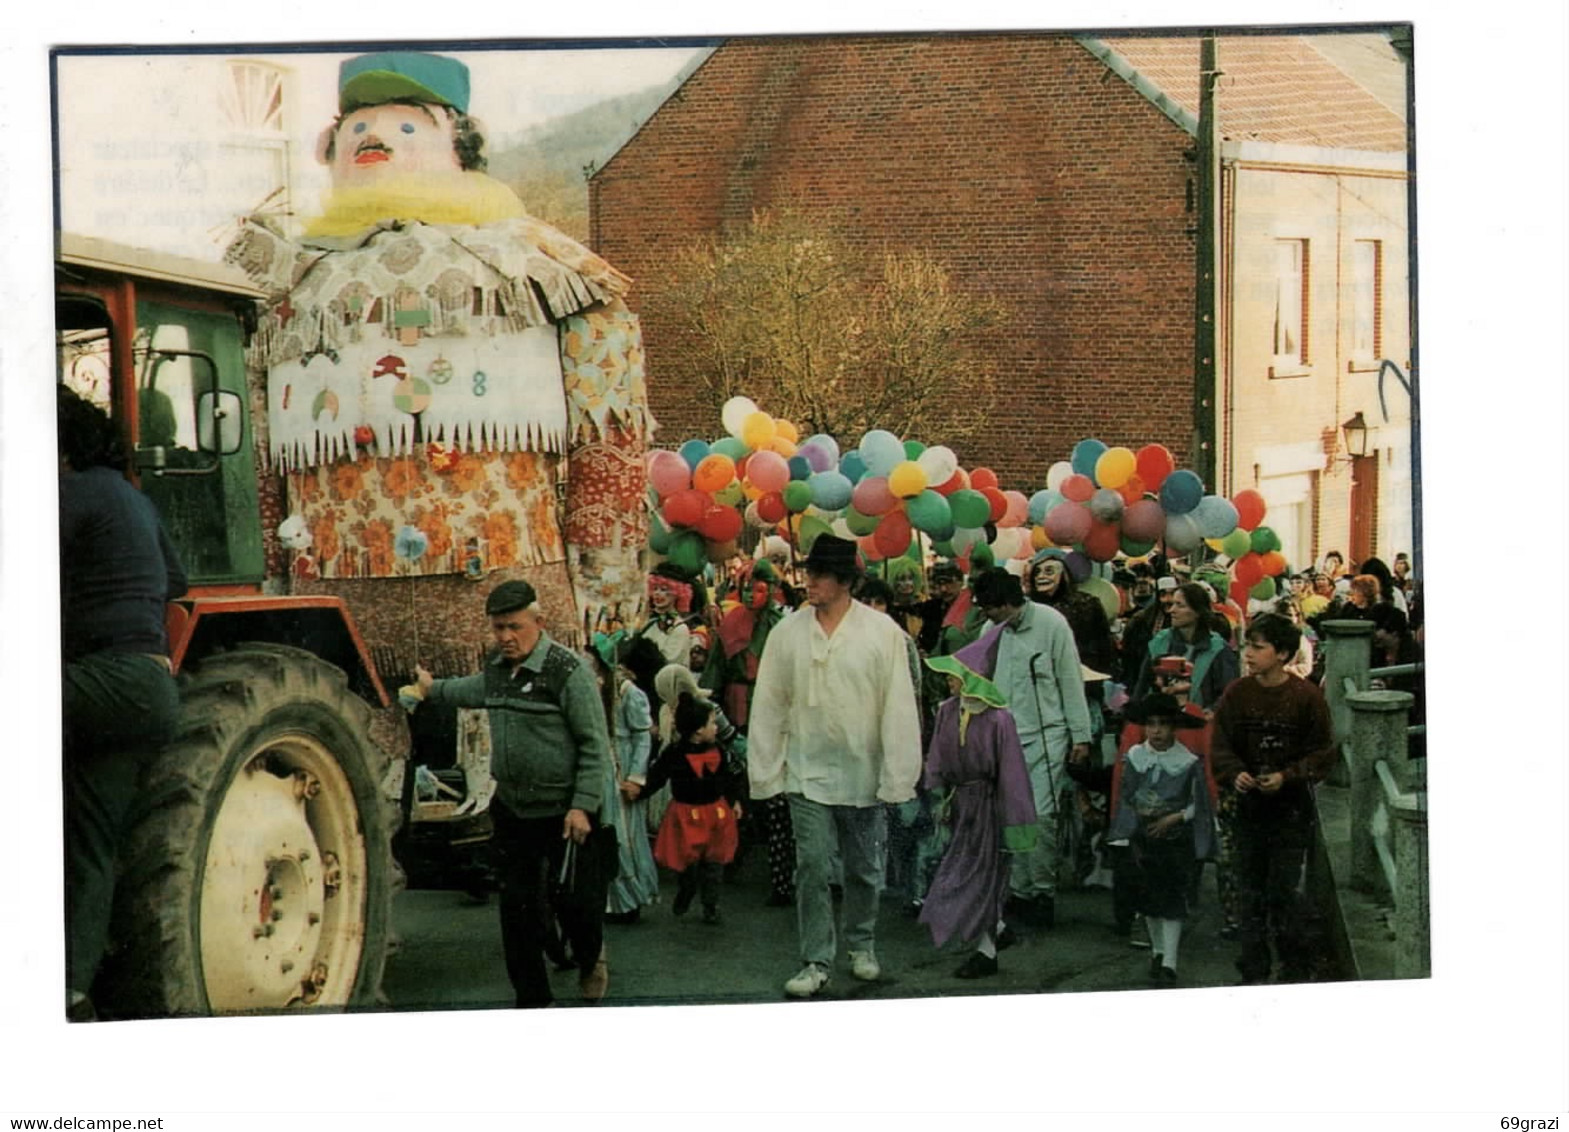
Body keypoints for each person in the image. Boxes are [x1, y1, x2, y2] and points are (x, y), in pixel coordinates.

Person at [414, 580, 608, 1008]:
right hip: (513, 810)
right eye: (498, 628)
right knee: (517, 910)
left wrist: (582, 807)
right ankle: (532, 1000)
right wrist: (433, 689)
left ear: (539, 622)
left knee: (574, 904)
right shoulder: (498, 667)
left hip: (562, 813)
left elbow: (595, 744)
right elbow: (474, 688)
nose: (505, 637)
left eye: (514, 627)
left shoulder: (568, 671)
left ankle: (591, 957)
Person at [58, 385, 189, 1020]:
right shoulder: (133, 499)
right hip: (149, 687)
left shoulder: (71, 494)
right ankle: (71, 991)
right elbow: (179, 581)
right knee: (92, 844)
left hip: (103, 678)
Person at [748, 534, 923, 998]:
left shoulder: (882, 632)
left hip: (863, 772)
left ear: (846, 581)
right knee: (811, 866)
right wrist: (767, 770)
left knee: (865, 868)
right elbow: (769, 701)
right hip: (805, 770)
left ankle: (861, 945)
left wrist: (898, 773)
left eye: (820, 575)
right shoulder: (788, 631)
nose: (810, 582)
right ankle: (815, 959)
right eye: (808, 573)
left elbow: (899, 704)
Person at [956, 567, 1093, 930]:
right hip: (1004, 738)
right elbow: (981, 688)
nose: (986, 615)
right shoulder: (990, 632)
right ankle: (1019, 890)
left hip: (1047, 734)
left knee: (1042, 818)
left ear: (1007, 603)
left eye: (990, 608)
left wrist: (1081, 735)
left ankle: (1043, 892)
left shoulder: (1052, 623)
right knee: (1011, 817)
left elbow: (1069, 678)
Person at [1209, 613, 1339, 985]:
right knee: (1248, 892)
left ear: (1282, 653)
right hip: (1246, 808)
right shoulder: (1237, 694)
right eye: (1248, 645)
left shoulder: (1306, 697)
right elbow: (1220, 746)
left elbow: (1322, 753)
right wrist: (1236, 772)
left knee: (1283, 892)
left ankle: (1293, 969)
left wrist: (1287, 776)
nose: (1248, 653)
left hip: (1290, 810)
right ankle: (1253, 970)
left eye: (1258, 646)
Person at [918, 655, 1038, 978]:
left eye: (955, 675)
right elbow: (938, 755)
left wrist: (1012, 816)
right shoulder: (947, 711)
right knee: (960, 870)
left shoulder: (999, 720)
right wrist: (940, 794)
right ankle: (996, 929)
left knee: (983, 875)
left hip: (987, 804)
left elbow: (1011, 772)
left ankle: (987, 951)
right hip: (961, 804)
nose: (948, 680)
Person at [1105, 693, 1216, 987]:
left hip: (1174, 838)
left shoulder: (1187, 762)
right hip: (1142, 838)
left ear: (1174, 728)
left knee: (1171, 897)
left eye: (1163, 725)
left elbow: (1199, 804)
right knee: (1147, 898)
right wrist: (1125, 829)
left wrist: (1175, 817)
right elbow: (1127, 797)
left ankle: (1170, 962)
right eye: (1151, 724)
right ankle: (1157, 951)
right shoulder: (1135, 757)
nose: (1156, 731)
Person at [626, 693, 744, 925]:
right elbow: (658, 776)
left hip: (715, 814)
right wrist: (641, 790)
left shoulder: (719, 750)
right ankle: (687, 889)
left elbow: (730, 777)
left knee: (714, 863)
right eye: (712, 723)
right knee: (687, 862)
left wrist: (735, 801)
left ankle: (711, 904)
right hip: (686, 814)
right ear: (698, 730)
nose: (716, 727)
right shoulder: (676, 753)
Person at [588, 632, 658, 925]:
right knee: (602, 834)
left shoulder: (629, 693)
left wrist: (636, 777)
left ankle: (629, 899)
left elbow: (643, 737)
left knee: (625, 836)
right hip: (600, 770)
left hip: (623, 769)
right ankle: (607, 900)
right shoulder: (591, 691)